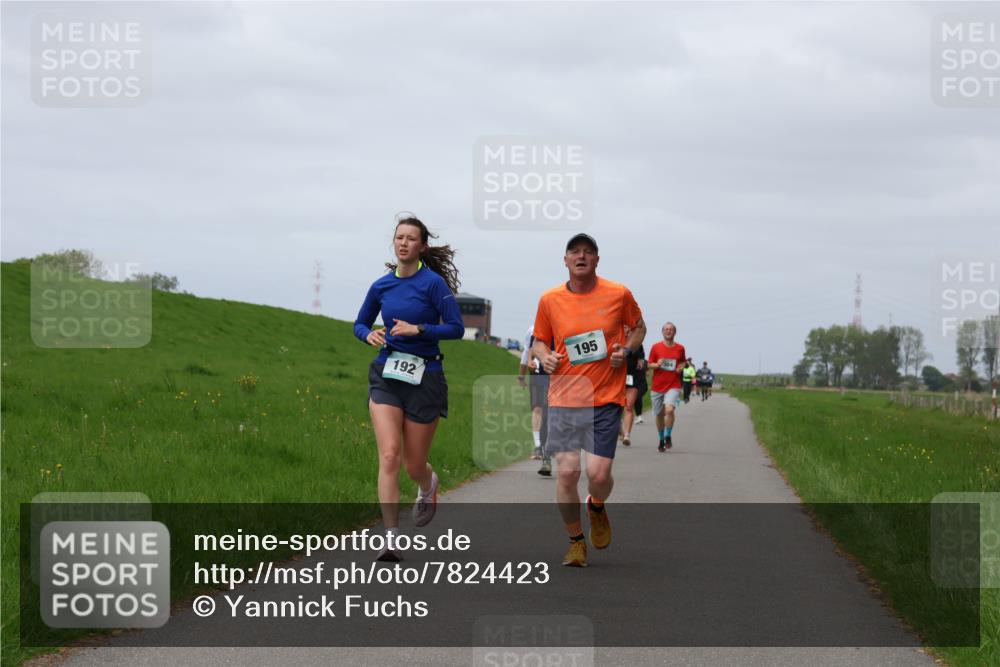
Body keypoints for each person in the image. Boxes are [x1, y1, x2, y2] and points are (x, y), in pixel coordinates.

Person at [354, 214, 464, 561]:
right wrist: (368, 335)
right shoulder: (381, 286)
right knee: (389, 455)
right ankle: (391, 539)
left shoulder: (433, 285)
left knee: (414, 465)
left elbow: (456, 328)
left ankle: (427, 485)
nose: (403, 243)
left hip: (425, 376)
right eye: (399, 237)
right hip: (386, 373)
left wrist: (420, 330)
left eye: (411, 238)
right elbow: (359, 323)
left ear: (422, 246)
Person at [532, 233, 646, 568]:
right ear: (565, 260)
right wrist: (545, 355)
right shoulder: (549, 299)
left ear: (597, 260)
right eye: (575, 252)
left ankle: (596, 504)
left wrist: (627, 350)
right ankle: (576, 541)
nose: (581, 256)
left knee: (598, 474)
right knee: (567, 474)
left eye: (588, 252)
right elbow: (538, 341)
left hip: (605, 398)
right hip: (564, 398)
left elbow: (639, 328)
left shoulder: (618, 293)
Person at [518, 325, 553, 476]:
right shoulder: (534, 329)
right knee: (541, 410)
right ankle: (543, 452)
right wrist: (528, 365)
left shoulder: (568, 323)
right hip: (540, 375)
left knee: (557, 413)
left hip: (564, 375)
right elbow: (530, 349)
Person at [648, 323, 686, 452]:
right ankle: (661, 440)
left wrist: (681, 367)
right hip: (657, 386)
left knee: (669, 410)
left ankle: (668, 436)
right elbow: (649, 364)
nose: (668, 331)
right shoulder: (656, 347)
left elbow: (683, 362)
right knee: (659, 414)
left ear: (674, 332)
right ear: (662, 332)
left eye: (671, 329)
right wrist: (657, 365)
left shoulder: (680, 348)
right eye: (666, 329)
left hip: (674, 385)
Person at [620, 341, 647, 447]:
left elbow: (641, 361)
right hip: (616, 378)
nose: (627, 332)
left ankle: (626, 435)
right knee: (614, 409)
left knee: (629, 406)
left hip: (632, 377)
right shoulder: (614, 340)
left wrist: (641, 363)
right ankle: (620, 432)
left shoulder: (637, 343)